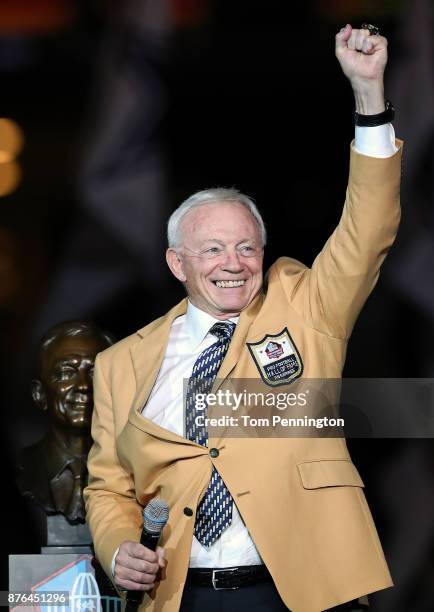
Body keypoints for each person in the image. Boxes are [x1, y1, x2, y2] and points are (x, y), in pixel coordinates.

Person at [84, 24, 403, 611]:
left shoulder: (306, 306)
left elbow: (368, 229)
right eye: (212, 250)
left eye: (246, 247)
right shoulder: (119, 363)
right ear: (176, 263)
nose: (232, 264)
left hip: (301, 592)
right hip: (181, 596)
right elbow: (109, 489)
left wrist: (368, 96)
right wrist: (119, 544)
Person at [17, 321, 115, 525]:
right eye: (66, 373)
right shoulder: (21, 468)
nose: (83, 386)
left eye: (94, 373)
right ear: (39, 393)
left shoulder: (133, 471)